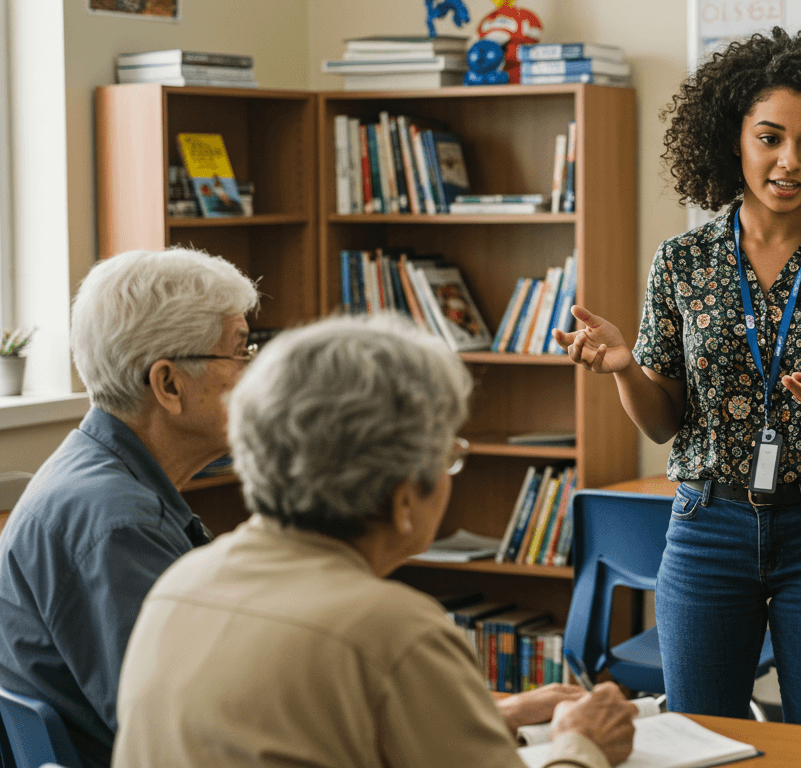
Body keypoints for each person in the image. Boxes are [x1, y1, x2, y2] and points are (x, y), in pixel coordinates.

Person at [551, 28, 801, 729]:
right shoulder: (681, 260)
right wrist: (625, 368)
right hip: (707, 525)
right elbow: (665, 422)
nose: (791, 161)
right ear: (732, 139)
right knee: (700, 742)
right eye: (771, 138)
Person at [113, 316, 637, 768]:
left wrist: (495, 716)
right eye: (447, 455)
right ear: (404, 497)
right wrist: (581, 745)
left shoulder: (179, 583)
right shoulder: (395, 631)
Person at [0, 248, 258, 768]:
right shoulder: (117, 523)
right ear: (167, 384)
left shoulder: (93, 474)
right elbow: (183, 738)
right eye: (240, 351)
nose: (256, 371)